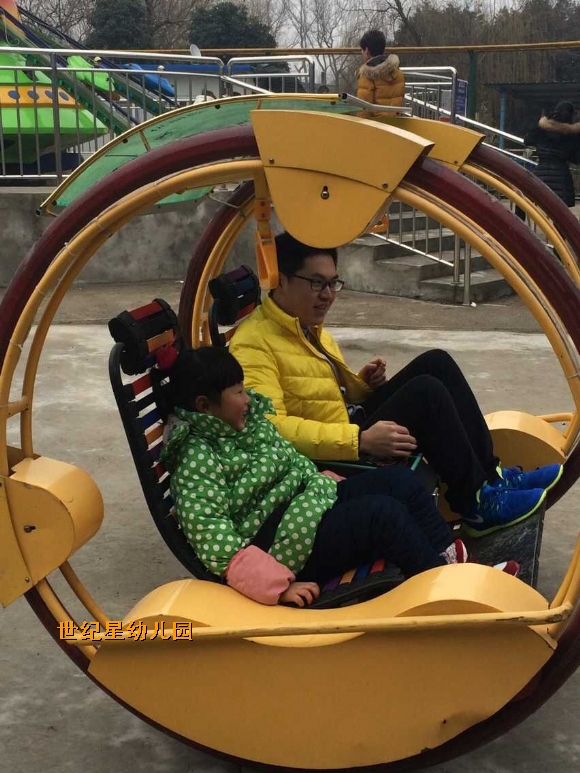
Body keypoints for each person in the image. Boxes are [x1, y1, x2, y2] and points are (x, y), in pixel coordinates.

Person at [229, 231, 563, 538]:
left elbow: (322, 396)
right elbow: (270, 430)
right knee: (426, 394)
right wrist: (360, 440)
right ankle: (476, 505)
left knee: (436, 363)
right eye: (317, 283)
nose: (328, 296)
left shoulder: (306, 327)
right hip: (327, 459)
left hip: (345, 429)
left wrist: (362, 386)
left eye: (333, 283)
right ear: (280, 279)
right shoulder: (254, 343)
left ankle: (492, 478)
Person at [159, 347, 519, 607]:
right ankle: (445, 593)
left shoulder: (244, 425)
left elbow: (290, 460)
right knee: (382, 516)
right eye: (238, 391)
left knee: (400, 483)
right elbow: (214, 539)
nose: (248, 399)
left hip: (304, 508)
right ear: (204, 406)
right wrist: (277, 586)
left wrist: (329, 482)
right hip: (281, 546)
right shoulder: (196, 459)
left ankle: (450, 566)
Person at [516, 101, 580, 220]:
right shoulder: (572, 135)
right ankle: (557, 232)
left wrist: (541, 123)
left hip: (540, 174)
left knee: (523, 197)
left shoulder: (543, 129)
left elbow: (527, 140)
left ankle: (518, 226)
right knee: (560, 213)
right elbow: (576, 158)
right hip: (562, 178)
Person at [356, 29, 405, 109]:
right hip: (395, 117)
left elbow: (363, 109)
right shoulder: (398, 72)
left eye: (362, 49)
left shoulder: (367, 75)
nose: (361, 52)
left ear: (367, 51)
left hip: (375, 117)